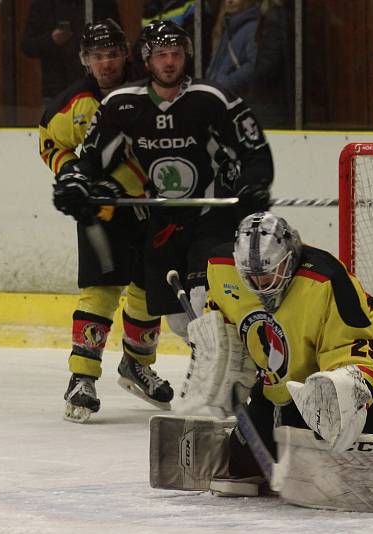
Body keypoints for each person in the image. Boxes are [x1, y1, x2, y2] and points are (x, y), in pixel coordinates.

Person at [52, 20, 273, 372]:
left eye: (176, 54)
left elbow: (254, 151)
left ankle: (228, 376)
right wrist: (75, 183)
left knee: (201, 300)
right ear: (146, 59)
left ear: (186, 56)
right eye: (160, 55)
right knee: (177, 319)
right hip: (162, 222)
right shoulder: (123, 104)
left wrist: (253, 184)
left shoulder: (213, 99)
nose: (169, 62)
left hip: (208, 216)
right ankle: (224, 371)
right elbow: (92, 159)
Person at [185, 211, 373, 496]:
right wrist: (220, 359)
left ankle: (353, 446)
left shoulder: (326, 279)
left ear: (288, 258)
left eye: (268, 274)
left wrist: (346, 394)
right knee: (243, 463)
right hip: (284, 377)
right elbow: (227, 322)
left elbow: (352, 348)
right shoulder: (222, 268)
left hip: (368, 372)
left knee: (328, 466)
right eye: (251, 277)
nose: (261, 286)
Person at [40, 19, 169, 424]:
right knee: (101, 290)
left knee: (149, 291)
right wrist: (72, 175)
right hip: (103, 210)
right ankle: (82, 377)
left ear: (125, 55)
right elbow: (49, 140)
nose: (107, 63)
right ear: (86, 60)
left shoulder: (149, 92)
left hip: (151, 206)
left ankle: (136, 365)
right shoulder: (74, 101)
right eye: (98, 56)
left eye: (113, 53)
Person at [21, 0, 120, 104]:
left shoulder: (102, 3)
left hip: (100, 86)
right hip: (57, 88)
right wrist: (51, 40)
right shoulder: (43, 4)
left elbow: (118, 39)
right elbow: (27, 46)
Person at [246, 0, 292, 129]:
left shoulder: (273, 18)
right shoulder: (275, 16)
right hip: (272, 101)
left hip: (270, 104)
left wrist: (248, 85)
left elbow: (268, 62)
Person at [205, 0, 260, 96]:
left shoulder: (252, 28)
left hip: (234, 97)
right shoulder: (229, 25)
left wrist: (225, 83)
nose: (229, 1)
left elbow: (254, 65)